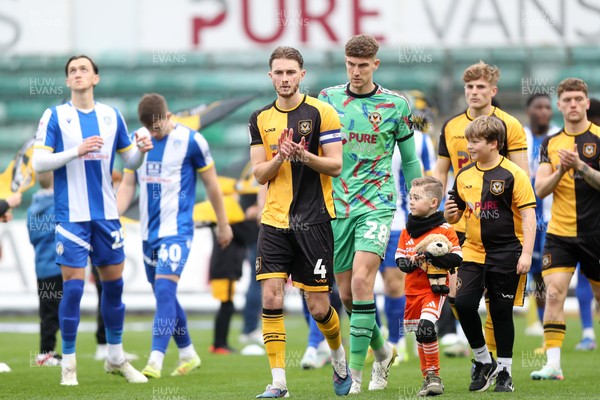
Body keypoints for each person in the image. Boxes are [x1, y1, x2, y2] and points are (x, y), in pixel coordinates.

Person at [32, 54, 153, 386]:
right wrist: (76, 151)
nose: (78, 74)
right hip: (71, 216)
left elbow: (130, 160)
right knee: (72, 290)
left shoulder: (111, 116)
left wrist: (142, 149)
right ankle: (68, 365)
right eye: (72, 71)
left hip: (107, 216)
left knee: (113, 288)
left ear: (95, 78)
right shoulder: (55, 116)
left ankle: (116, 358)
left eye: (83, 69)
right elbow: (39, 164)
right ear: (68, 81)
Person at [319, 34, 422, 394]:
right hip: (337, 207)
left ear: (375, 64)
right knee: (347, 296)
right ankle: (382, 352)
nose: (357, 71)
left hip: (377, 205)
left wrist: (421, 205)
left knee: (363, 284)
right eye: (351, 64)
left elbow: (410, 160)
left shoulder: (396, 105)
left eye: (363, 65)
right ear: (344, 63)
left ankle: (356, 376)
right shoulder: (328, 99)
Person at [249, 46, 351, 398]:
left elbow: (336, 166)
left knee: (319, 307)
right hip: (274, 221)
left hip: (315, 221)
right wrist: (280, 156)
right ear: (270, 76)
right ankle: (278, 382)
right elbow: (259, 174)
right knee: (272, 296)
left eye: (290, 72)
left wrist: (303, 155)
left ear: (301, 74)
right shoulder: (260, 118)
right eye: (278, 72)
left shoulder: (323, 112)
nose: (284, 78)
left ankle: (338, 357)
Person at [116, 93, 232, 378]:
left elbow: (213, 186)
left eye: (159, 127)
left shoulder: (193, 141)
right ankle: (188, 353)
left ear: (169, 116)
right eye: (150, 129)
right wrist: (114, 218)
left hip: (178, 230)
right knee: (163, 294)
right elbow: (128, 183)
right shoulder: (138, 140)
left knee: (166, 290)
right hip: (148, 232)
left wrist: (223, 223)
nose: (155, 134)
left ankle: (155, 360)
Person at [433, 61, 530, 358]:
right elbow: (440, 172)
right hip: (461, 222)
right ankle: (482, 354)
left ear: (493, 91)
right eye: (469, 87)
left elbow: (521, 172)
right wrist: (434, 207)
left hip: (500, 225)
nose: (474, 92)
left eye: (480, 87)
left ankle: (494, 362)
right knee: (457, 296)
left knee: (496, 304)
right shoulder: (451, 126)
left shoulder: (509, 125)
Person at [444, 115, 536, 393]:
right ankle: (484, 360)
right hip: (472, 251)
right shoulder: (463, 175)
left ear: (494, 143)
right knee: (463, 304)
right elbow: (457, 212)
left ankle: (505, 371)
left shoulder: (513, 175)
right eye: (469, 140)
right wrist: (451, 214)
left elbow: (530, 217)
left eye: (475, 141)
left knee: (500, 312)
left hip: (507, 252)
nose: (469, 146)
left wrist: (527, 254)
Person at [530, 78, 600, 380]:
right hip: (560, 233)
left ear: (586, 103)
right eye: (567, 99)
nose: (572, 104)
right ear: (560, 105)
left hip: (596, 232)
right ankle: (554, 364)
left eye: (577, 99)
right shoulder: (550, 143)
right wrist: (562, 169)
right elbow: (540, 189)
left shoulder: (598, 137)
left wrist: (582, 167)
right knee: (555, 293)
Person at [380, 91, 437, 365]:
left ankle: (396, 340)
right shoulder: (369, 136)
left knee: (394, 284)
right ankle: (379, 340)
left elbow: (428, 181)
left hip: (398, 222)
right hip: (365, 218)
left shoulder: (420, 141)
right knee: (359, 288)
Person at [395, 176, 462, 397]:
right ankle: (427, 377)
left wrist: (432, 258)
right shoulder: (407, 230)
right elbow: (400, 258)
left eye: (416, 198)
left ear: (433, 203)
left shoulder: (445, 230)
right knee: (420, 335)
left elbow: (456, 258)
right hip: (412, 291)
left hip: (433, 290)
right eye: (410, 197)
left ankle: (435, 376)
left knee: (427, 327)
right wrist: (407, 262)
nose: (411, 201)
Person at [522, 94, 561, 337]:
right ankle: (537, 321)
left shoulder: (558, 136)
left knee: (547, 273)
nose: (544, 111)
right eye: (539, 107)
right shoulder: (520, 136)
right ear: (529, 111)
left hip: (550, 216)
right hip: (525, 215)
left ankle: (549, 323)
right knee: (531, 270)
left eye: (548, 107)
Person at [27, 172, 62, 367]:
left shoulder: (33, 208)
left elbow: (32, 238)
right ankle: (46, 354)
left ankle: (46, 351)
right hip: (58, 266)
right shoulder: (57, 204)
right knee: (57, 312)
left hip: (41, 266)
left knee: (47, 311)